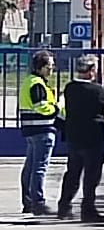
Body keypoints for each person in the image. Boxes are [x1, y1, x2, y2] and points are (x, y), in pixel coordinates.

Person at [56, 58, 104, 222]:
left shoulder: (70, 88)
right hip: (93, 137)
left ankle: (64, 206)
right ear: (91, 70)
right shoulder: (97, 90)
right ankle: (88, 209)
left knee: (73, 173)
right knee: (91, 175)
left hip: (74, 136)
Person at [19, 50, 59, 215]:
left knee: (30, 166)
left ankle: (28, 201)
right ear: (42, 67)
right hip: (41, 129)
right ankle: (38, 202)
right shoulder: (37, 84)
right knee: (39, 167)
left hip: (30, 130)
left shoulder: (28, 81)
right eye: (50, 66)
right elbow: (41, 106)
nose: (52, 70)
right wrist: (56, 109)